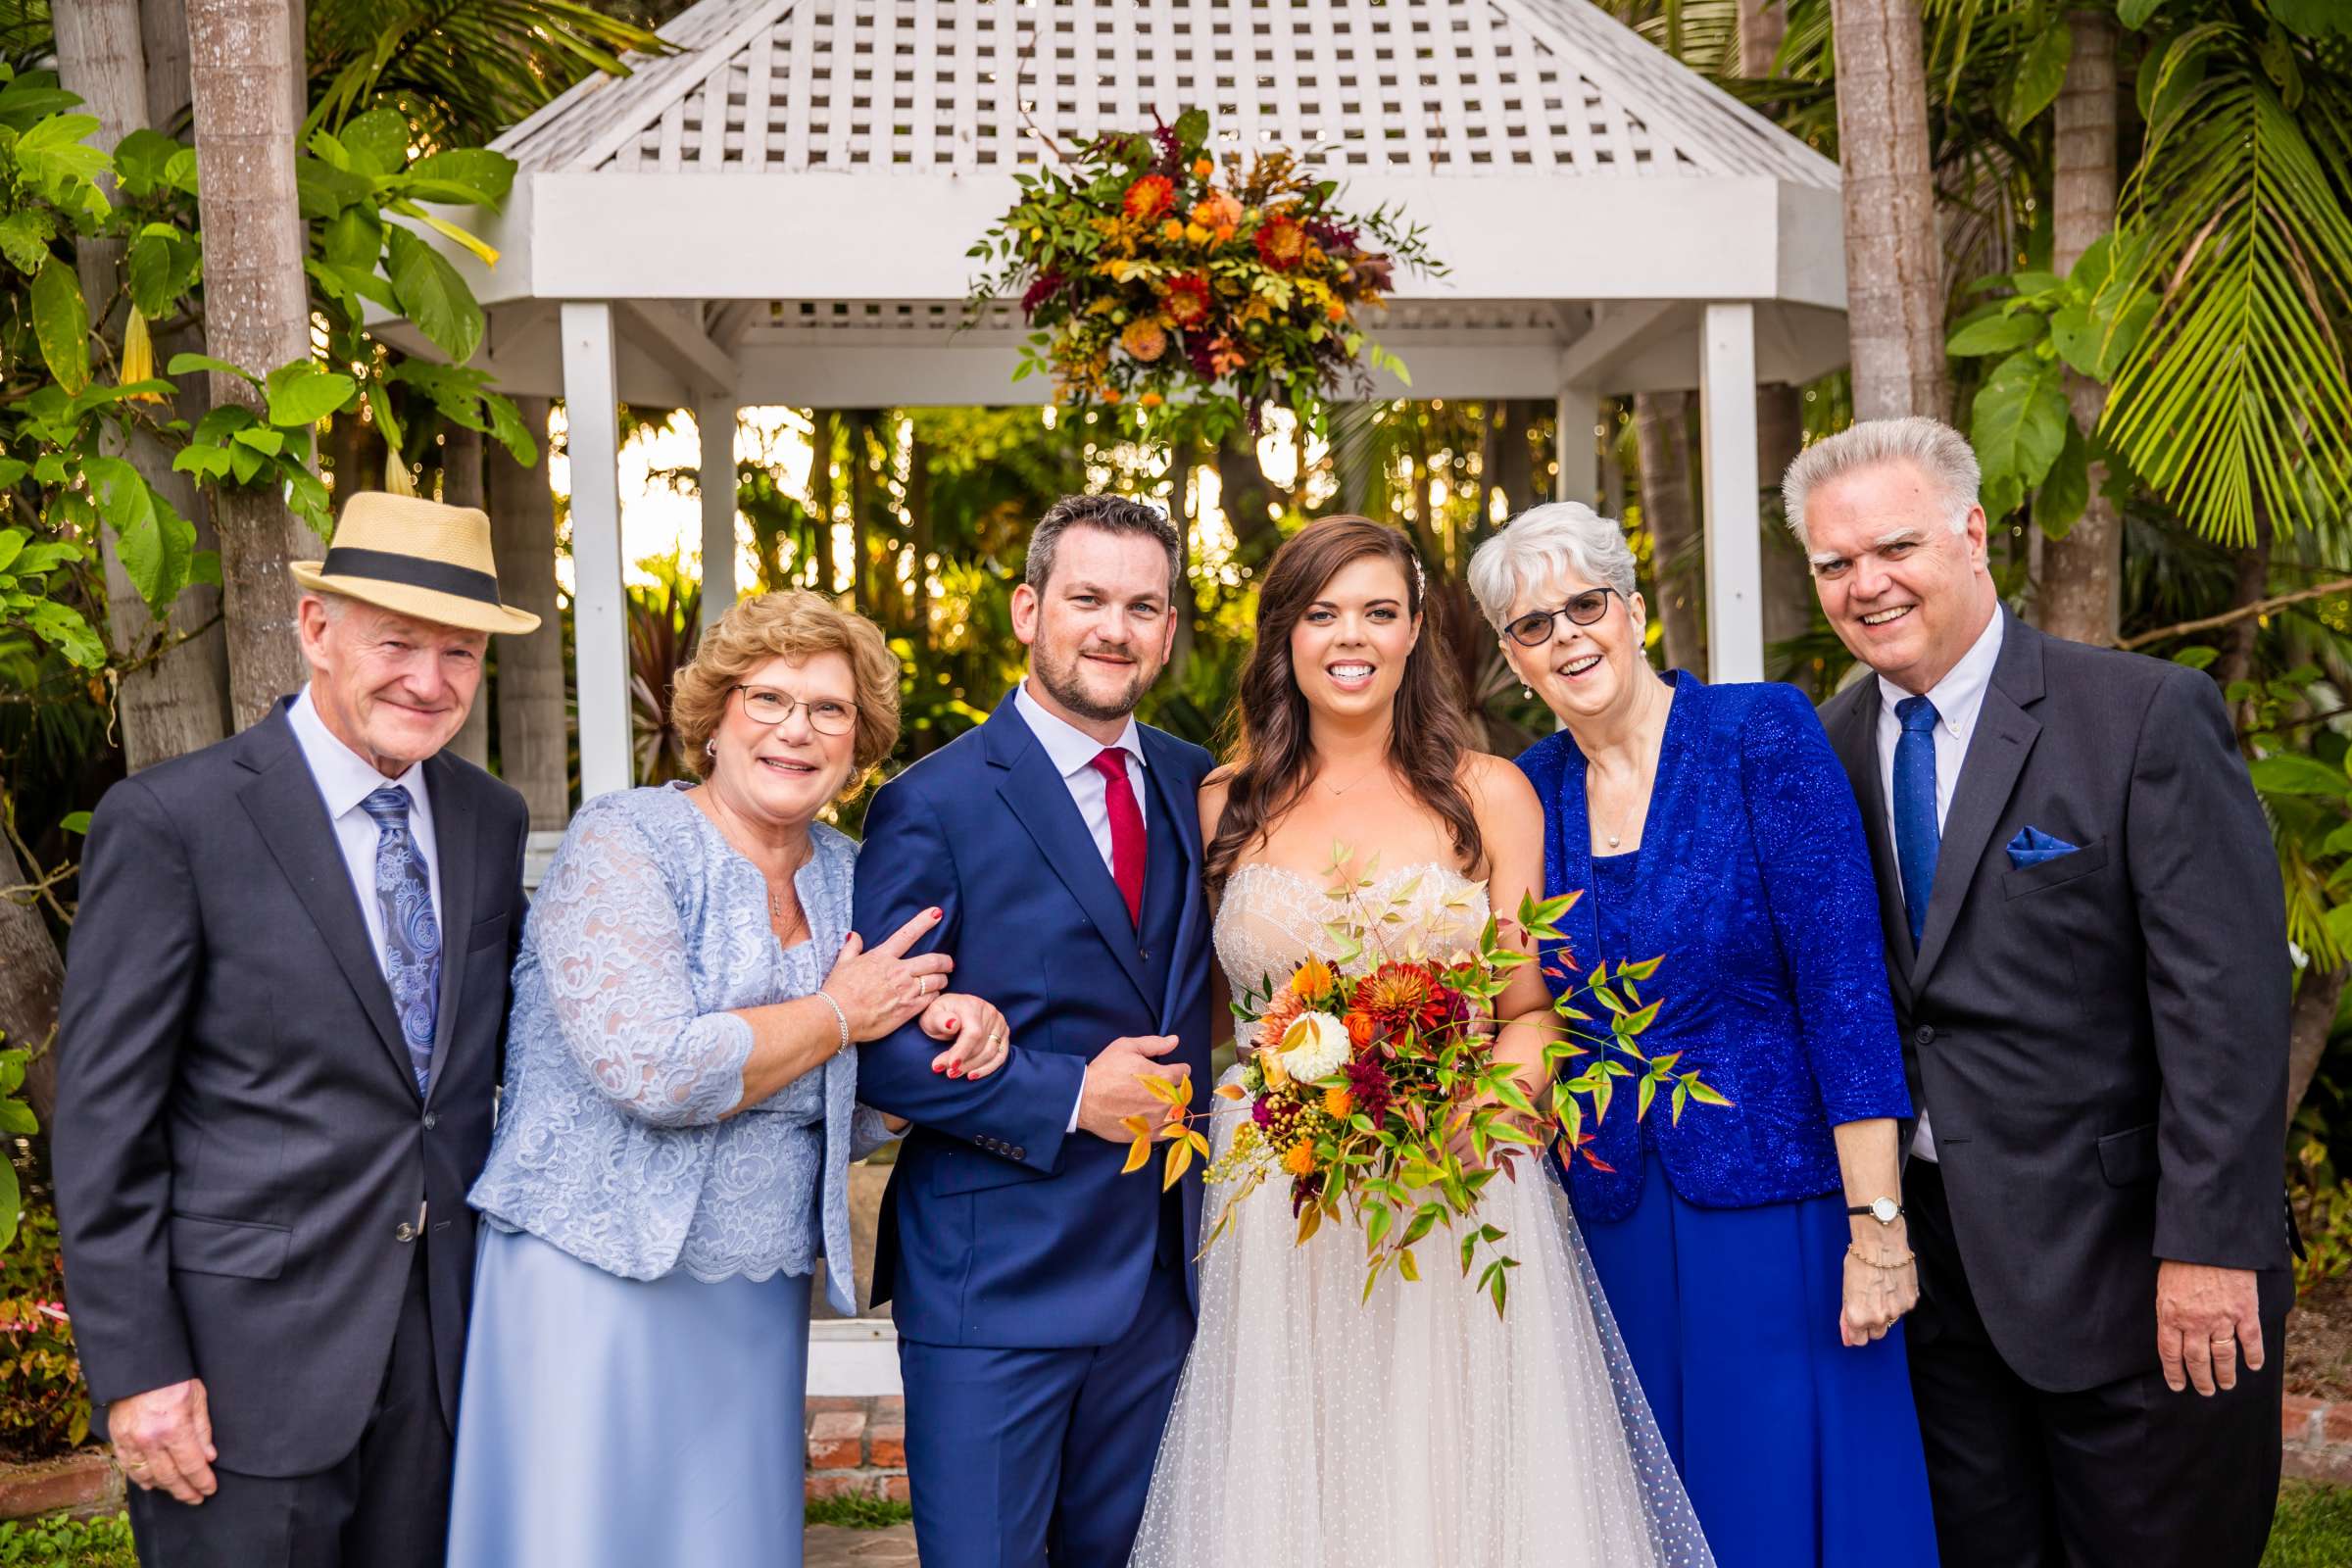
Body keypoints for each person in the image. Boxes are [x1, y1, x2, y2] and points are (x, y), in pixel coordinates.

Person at [1130, 514, 1714, 1568]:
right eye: (1322, 612)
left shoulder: (1489, 792)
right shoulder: (1224, 801)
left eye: (1379, 611)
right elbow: (1210, 1021)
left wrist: (1488, 1108)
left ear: (1412, 637)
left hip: (1458, 1198)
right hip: (1288, 1205)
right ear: (1286, 637)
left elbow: (1528, 1009)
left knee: (1465, 1490)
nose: (1350, 636)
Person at [1792, 416, 2293, 1568]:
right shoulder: (1822, 749)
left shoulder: (2140, 716)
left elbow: (2226, 1004)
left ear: (1973, 534)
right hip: (1939, 1290)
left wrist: (2212, 1246)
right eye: (1835, 563)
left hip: (2136, 1273)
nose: (1867, 584)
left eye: (1895, 547)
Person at [444, 591, 1007, 1567]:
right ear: (714, 716)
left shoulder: (851, 874)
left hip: (753, 1286)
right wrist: (836, 1016)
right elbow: (654, 1067)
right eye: (770, 697)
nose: (798, 728)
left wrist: (962, 1029)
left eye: (830, 710)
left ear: (859, 742)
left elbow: (857, 1099)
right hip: (593, 1266)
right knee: (581, 1540)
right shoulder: (623, 843)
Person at [52, 494, 538, 1567]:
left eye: (459, 653)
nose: (429, 678)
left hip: (440, 1367)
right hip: (238, 1376)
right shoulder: (174, 821)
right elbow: (101, 1123)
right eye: (398, 642)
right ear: (315, 629)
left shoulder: (486, 818)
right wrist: (138, 1369)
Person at [1464, 503, 1938, 1567]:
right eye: (1533, 624)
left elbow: (1846, 987)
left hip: (1782, 1211)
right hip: (1613, 1210)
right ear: (1511, 657)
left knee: (1779, 1493)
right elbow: (1516, 999)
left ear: (1633, 611)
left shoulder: (1757, 732)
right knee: (1640, 1500)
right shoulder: (1528, 791)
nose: (1567, 636)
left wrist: (1879, 1227)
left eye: (1585, 604)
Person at [851, 494, 1215, 1568]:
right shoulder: (933, 802)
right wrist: (1068, 1094)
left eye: (1143, 605)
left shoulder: (1202, 785)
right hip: (994, 1283)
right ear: (1028, 608)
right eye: (1088, 597)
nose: (1115, 627)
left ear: (1169, 625)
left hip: (1160, 1279)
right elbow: (880, 1039)